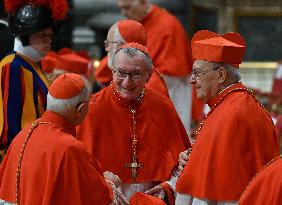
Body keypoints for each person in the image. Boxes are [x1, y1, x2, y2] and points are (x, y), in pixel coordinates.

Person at [146, 30, 280, 204]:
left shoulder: (233, 114)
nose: (192, 80)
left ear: (221, 75)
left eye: (198, 73)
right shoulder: (231, 104)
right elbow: (210, 163)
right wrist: (184, 168)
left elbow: (223, 188)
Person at [76, 43, 190, 201]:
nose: (127, 82)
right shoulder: (92, 109)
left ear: (149, 75)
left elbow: (181, 163)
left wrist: (168, 187)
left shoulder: (162, 106)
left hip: (151, 199)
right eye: (121, 73)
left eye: (136, 74)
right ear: (112, 71)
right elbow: (78, 169)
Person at [0, 73, 129, 205]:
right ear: (81, 108)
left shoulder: (24, 134)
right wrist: (109, 182)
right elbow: (98, 199)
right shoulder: (70, 148)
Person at [0, 0, 68, 160]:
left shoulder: (33, 66)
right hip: (22, 157)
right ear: (24, 35)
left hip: (35, 152)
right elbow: (12, 128)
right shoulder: (13, 66)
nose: (48, 40)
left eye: (50, 35)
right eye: (41, 35)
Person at [116, 0, 193, 135]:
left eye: (127, 8)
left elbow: (173, 71)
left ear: (142, 2)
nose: (124, 13)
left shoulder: (168, 25)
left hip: (170, 91)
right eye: (122, 9)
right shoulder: (136, 24)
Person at [95, 19, 169, 97]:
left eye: (109, 43)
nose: (107, 49)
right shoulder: (109, 68)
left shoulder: (150, 86)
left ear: (120, 46)